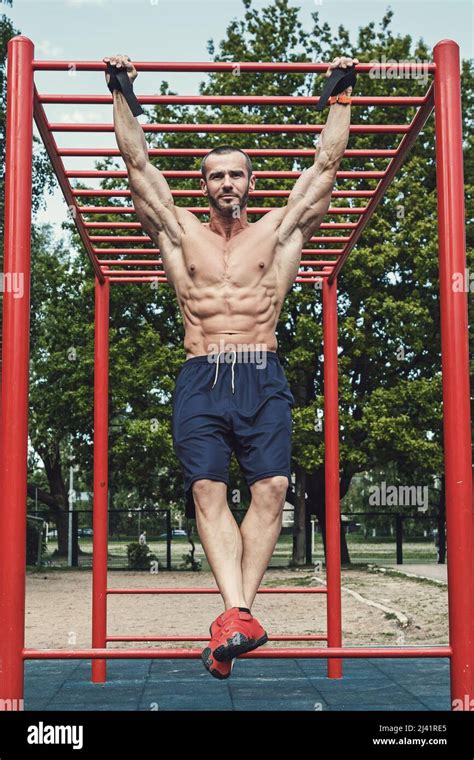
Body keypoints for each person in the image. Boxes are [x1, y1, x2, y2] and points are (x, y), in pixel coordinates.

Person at [104, 52, 357, 679]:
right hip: (201, 372)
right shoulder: (178, 232)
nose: (226, 185)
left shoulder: (279, 231)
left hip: (262, 370)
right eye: (216, 175)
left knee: (272, 490)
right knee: (206, 491)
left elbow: (325, 168)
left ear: (251, 182)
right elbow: (138, 168)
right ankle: (238, 614)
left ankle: (233, 619)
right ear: (203, 185)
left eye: (236, 175)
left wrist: (342, 93)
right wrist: (122, 91)